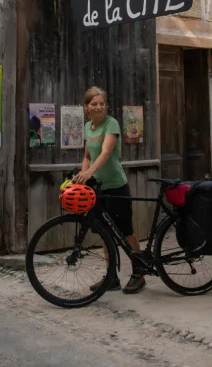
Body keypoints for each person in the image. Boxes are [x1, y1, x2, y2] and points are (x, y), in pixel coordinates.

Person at [72, 86, 145, 294]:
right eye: (93, 104)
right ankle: (111, 276)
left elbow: (105, 154)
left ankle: (139, 273)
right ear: (86, 107)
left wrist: (89, 174)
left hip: (116, 186)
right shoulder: (88, 127)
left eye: (101, 103)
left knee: (126, 231)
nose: (98, 107)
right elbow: (88, 156)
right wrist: (82, 177)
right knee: (105, 233)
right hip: (99, 188)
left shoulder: (111, 124)